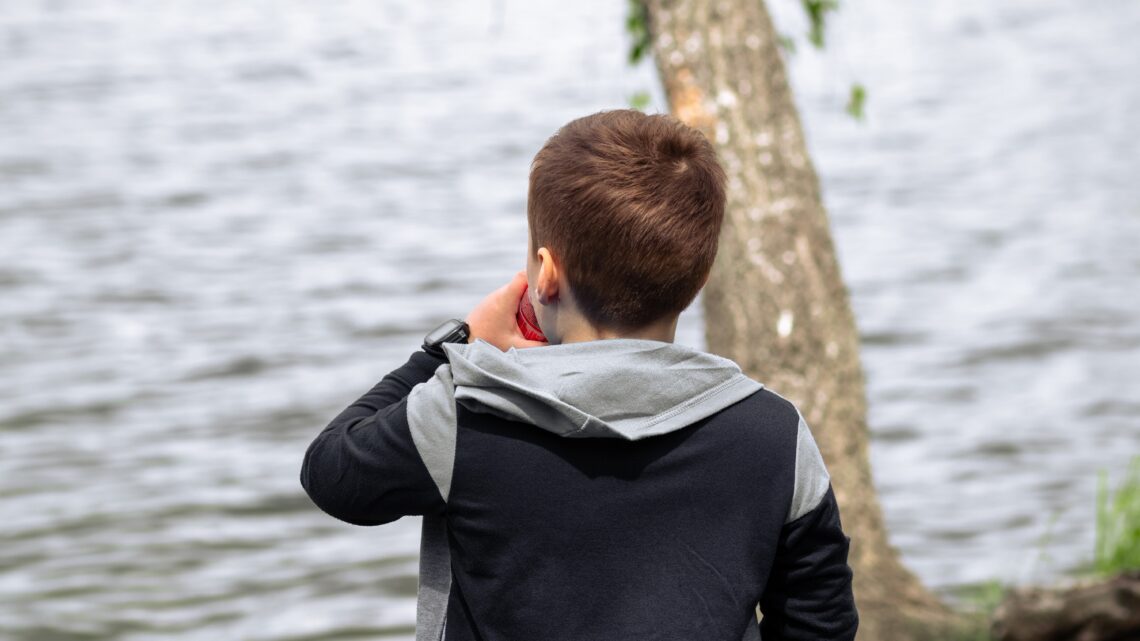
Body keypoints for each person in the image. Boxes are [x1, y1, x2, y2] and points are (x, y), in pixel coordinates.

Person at [300, 109, 858, 641]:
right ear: (701, 273)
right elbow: (820, 620)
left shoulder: (466, 413)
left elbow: (332, 472)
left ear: (545, 273)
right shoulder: (775, 435)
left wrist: (454, 347)